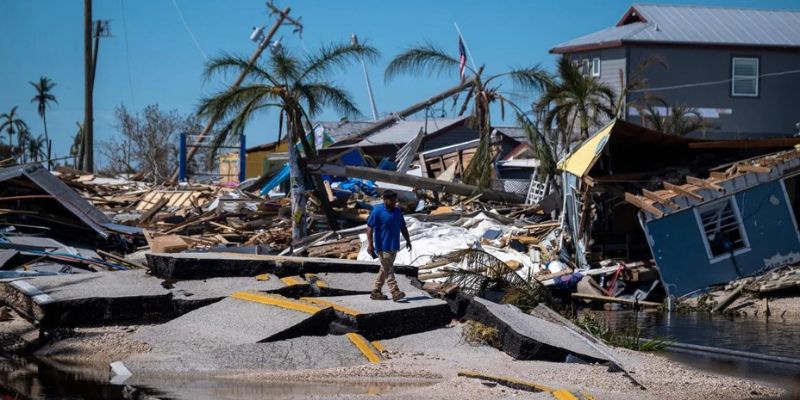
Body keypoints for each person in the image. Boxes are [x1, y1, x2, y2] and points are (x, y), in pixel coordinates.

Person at [366, 190, 411, 301]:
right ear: (385, 200)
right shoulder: (377, 211)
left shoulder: (397, 212)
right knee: (389, 269)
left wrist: (408, 240)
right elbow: (369, 228)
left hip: (394, 246)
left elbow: (403, 227)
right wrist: (370, 244)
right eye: (392, 200)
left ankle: (376, 291)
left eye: (395, 200)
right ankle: (395, 291)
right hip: (382, 246)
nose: (394, 202)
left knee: (384, 268)